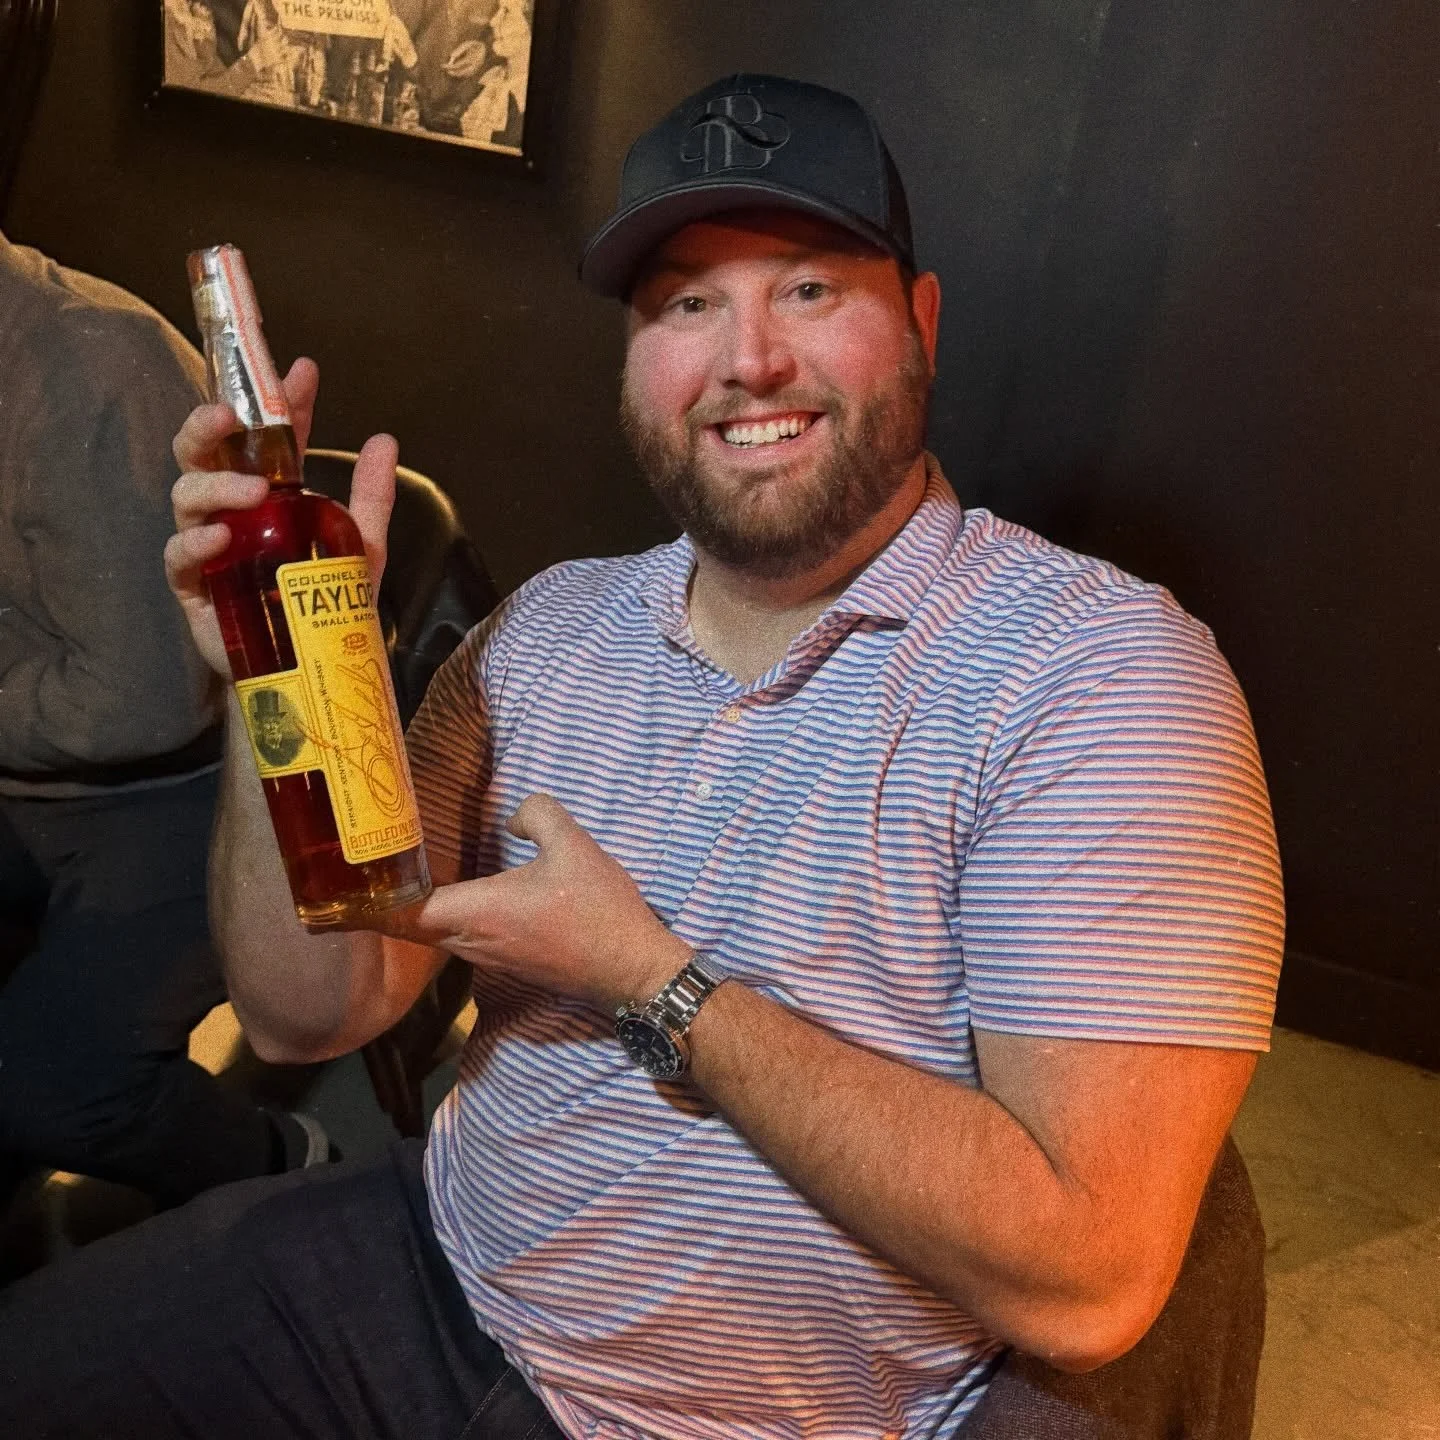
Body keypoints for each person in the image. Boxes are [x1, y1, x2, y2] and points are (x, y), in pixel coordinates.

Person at [0, 75, 1283, 1438]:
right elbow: (308, 1010)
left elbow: (1088, 1279)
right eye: (685, 302)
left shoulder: (1098, 678)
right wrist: (292, 672)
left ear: (920, 325)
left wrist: (656, 985)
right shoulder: (546, 632)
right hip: (433, 1270)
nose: (749, 360)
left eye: (808, 289)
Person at [0, 233, 331, 1234]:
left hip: (178, 791)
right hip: (37, 775)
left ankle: (289, 1166)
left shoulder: (92, 365)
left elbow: (142, 702)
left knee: (52, 1084)